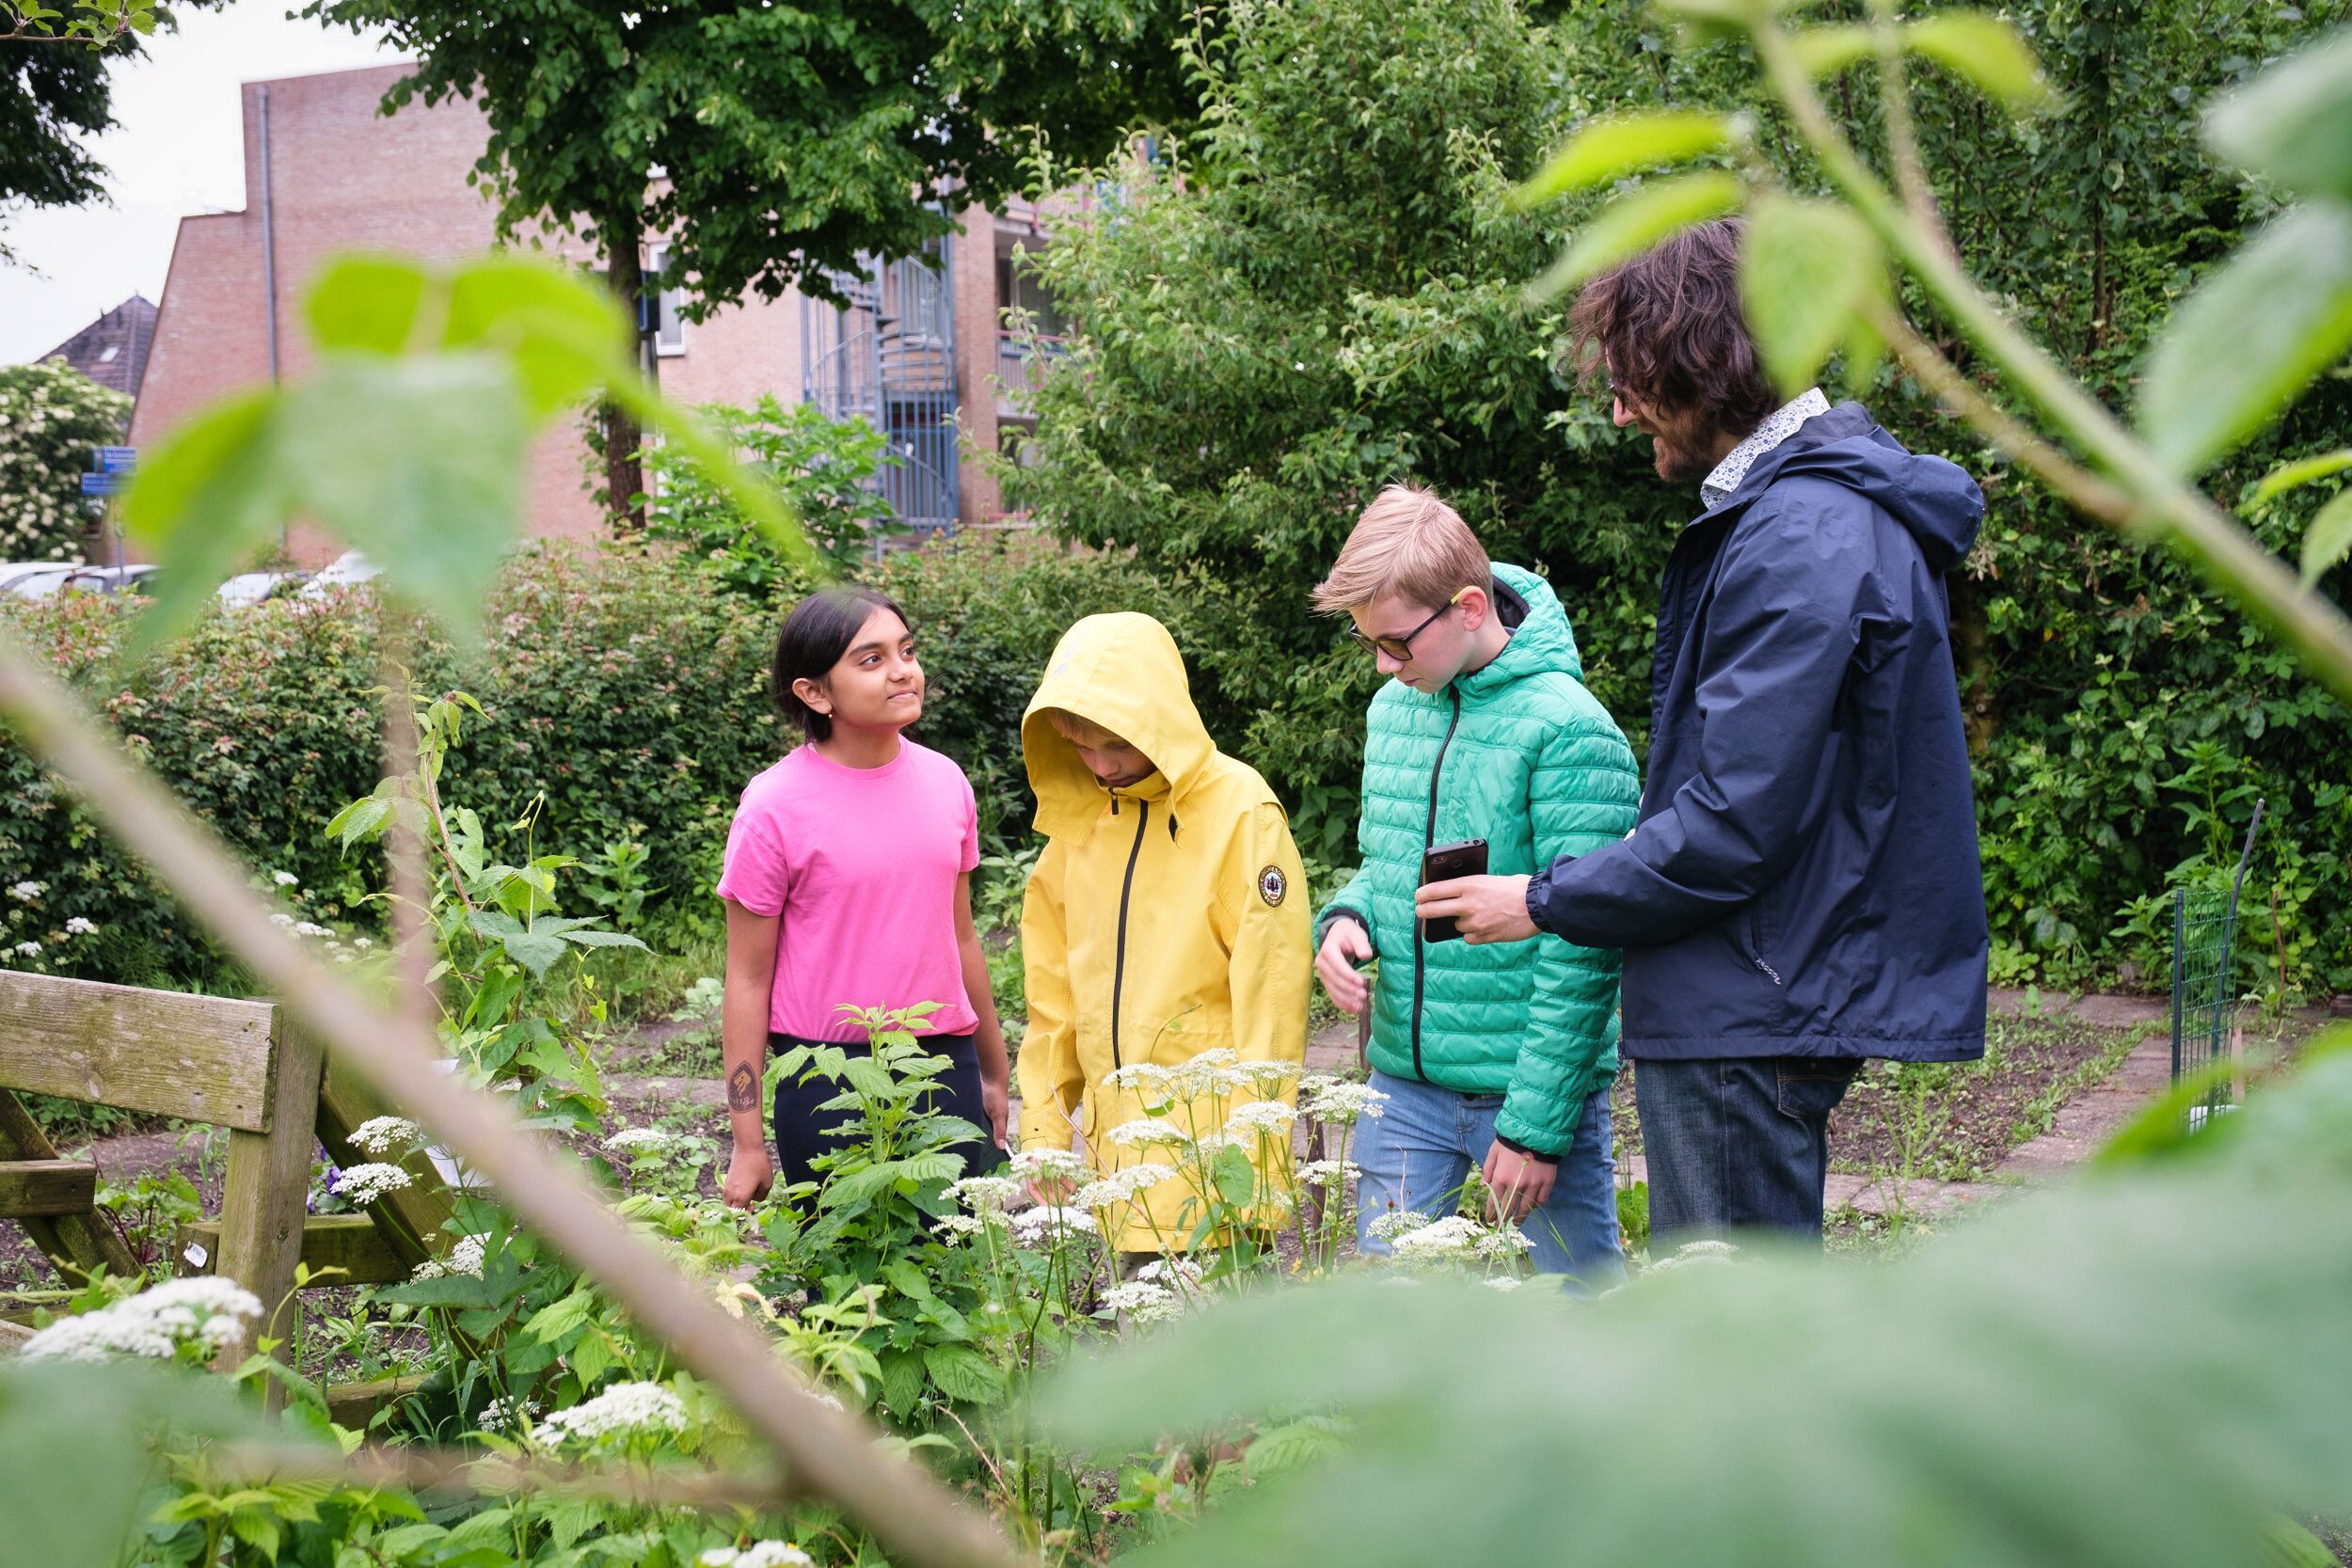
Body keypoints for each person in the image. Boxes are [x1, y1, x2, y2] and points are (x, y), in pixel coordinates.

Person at [1415, 218, 1990, 1245]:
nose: (1621, 404)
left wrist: (1541, 899)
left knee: (1735, 1366)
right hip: (1761, 988)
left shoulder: (1797, 532)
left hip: (1747, 999)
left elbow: (1732, 821)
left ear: (1709, 360)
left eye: (1636, 375)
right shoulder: (1810, 515)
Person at [1311, 483, 1639, 1283]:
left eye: (1396, 643)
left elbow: (1588, 942)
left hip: (1521, 1095)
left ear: (1465, 606)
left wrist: (1536, 1127)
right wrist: (1347, 917)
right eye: (1370, 646)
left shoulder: (1571, 729)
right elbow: (1386, 863)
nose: (1385, 667)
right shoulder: (1395, 711)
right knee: (1396, 1317)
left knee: (1580, 1312)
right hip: (1402, 1083)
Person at [1015, 612, 1311, 1258]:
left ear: (1157, 721)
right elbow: (1053, 994)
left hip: (1212, 1167)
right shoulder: (1082, 818)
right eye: (1078, 744)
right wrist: (1041, 1129)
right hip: (1113, 1161)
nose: (1098, 764)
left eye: (1113, 745)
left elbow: (1273, 995)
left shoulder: (1239, 810)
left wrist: (1257, 1173)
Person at [717, 586, 1010, 1210]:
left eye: (906, 650)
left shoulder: (946, 782)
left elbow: (960, 937)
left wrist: (992, 1069)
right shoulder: (773, 807)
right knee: (843, 1286)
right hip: (825, 1079)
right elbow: (746, 976)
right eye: (871, 659)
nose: (903, 669)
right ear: (815, 692)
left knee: (948, 1273)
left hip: (941, 1068)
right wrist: (747, 1141)